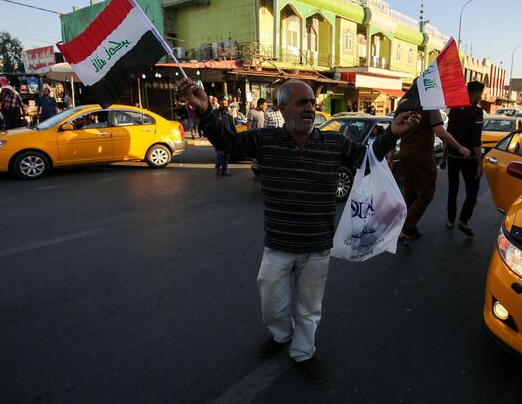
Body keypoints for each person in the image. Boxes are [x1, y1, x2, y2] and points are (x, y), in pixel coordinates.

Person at [179, 78, 419, 385]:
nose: (309, 108)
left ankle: (304, 352)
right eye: (301, 102)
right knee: (271, 304)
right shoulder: (266, 140)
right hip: (278, 246)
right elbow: (229, 144)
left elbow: (366, 160)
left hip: (318, 248)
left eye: (311, 102)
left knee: (310, 309)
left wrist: (392, 135)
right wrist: (206, 111)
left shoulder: (333, 143)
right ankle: (281, 335)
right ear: (281, 108)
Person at [398, 110, 470, 244]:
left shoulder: (404, 103)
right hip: (421, 157)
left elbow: (395, 130)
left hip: (404, 153)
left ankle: (410, 230)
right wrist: (460, 148)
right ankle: (405, 227)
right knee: (426, 193)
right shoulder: (430, 105)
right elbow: (440, 132)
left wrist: (390, 154)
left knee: (411, 193)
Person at [445, 81, 485, 237]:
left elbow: (447, 135)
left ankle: (450, 220)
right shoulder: (477, 112)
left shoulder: (454, 110)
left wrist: (443, 158)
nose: (481, 97)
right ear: (474, 93)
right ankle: (463, 220)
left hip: (452, 156)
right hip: (469, 159)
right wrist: (480, 164)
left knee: (452, 189)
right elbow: (476, 140)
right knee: (472, 191)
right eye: (480, 94)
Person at [214, 98, 235, 176]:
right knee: (220, 153)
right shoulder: (215, 113)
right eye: (223, 103)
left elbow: (232, 125)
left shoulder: (228, 114)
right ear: (219, 103)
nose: (224, 105)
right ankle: (218, 166)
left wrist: (234, 134)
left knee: (227, 154)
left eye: (226, 104)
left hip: (228, 137)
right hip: (218, 137)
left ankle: (224, 170)